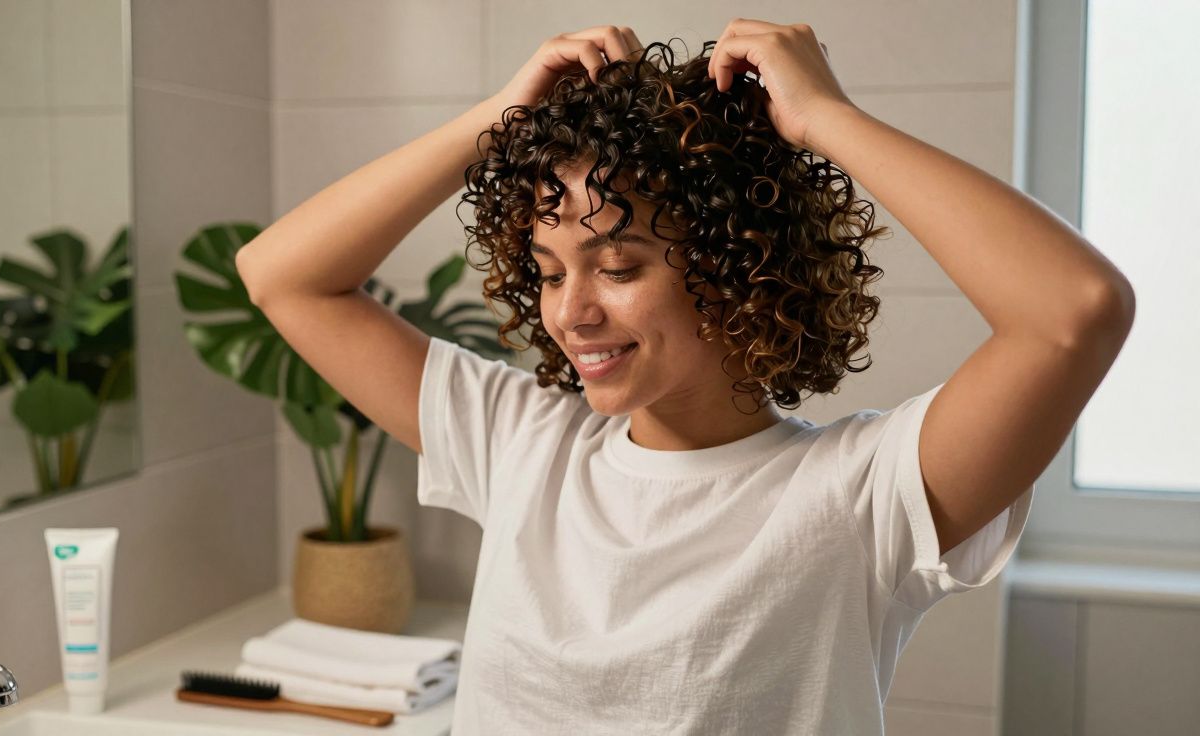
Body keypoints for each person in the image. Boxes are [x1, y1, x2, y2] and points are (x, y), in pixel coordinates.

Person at [235, 19, 1135, 736]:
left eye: (617, 267)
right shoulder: (521, 445)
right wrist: (502, 117)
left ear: (738, 266)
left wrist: (826, 119)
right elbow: (282, 276)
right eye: (549, 271)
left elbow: (1074, 312)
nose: (570, 312)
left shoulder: (863, 497)